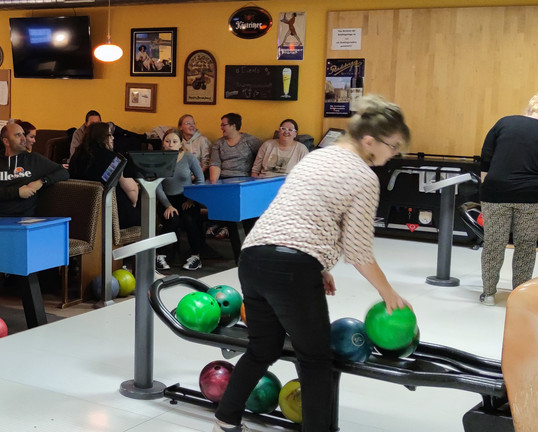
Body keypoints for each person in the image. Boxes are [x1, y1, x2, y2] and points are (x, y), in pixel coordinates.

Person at [212, 95, 412, 432]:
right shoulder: (364, 177)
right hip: (291, 267)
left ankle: (225, 420)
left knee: (263, 346)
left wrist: (318, 266)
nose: (393, 154)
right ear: (368, 141)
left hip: (253, 257)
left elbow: (297, 213)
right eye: (392, 146)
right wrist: (388, 293)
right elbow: (359, 251)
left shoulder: (316, 158)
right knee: (316, 359)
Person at [478, 93, 538, 305]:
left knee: (494, 244)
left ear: (527, 112)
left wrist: (486, 186)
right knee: (525, 246)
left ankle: (489, 294)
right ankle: (518, 296)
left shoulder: (504, 123)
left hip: (496, 191)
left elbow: (485, 158)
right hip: (531, 195)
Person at [69, 122, 141, 229]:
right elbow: (132, 190)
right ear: (102, 138)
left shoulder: (76, 157)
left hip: (83, 214)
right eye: (110, 135)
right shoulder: (114, 159)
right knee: (144, 216)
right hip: (112, 213)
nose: (113, 138)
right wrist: (134, 203)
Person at [155, 129, 206, 272]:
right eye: (167, 141)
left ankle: (195, 256)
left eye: (174, 141)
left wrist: (191, 199)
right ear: (163, 143)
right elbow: (157, 186)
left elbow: (200, 180)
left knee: (190, 220)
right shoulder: (158, 160)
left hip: (187, 199)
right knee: (173, 220)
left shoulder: (189, 158)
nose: (170, 144)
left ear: (180, 144)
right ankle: (160, 255)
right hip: (167, 200)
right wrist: (168, 205)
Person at [0, 123, 68, 216]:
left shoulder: (34, 159)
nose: (24, 139)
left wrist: (41, 182)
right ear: (6, 142)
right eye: (17, 135)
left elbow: (63, 172)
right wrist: (17, 192)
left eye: (23, 134)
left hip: (24, 220)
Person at [207, 113, 262, 239]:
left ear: (233, 125)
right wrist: (214, 185)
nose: (221, 127)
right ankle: (224, 225)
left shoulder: (249, 140)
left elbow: (263, 155)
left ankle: (229, 227)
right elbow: (215, 163)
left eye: (223, 124)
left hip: (244, 180)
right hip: (224, 179)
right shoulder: (219, 143)